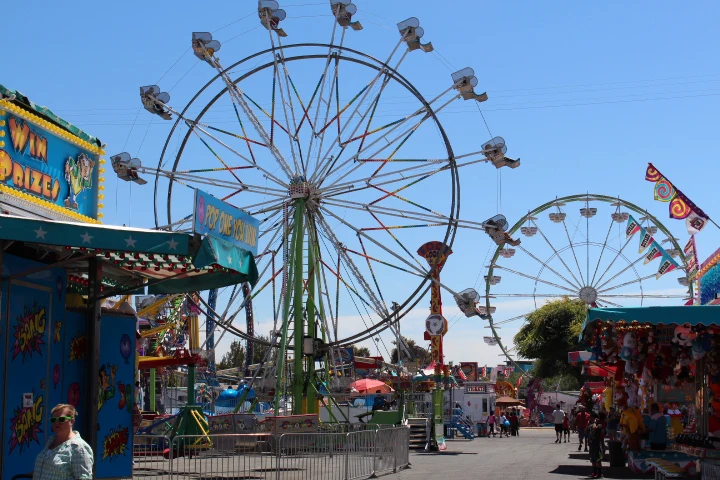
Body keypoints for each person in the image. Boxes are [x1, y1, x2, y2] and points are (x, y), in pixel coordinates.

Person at [34, 404, 93, 479]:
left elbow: (84, 477)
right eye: (53, 420)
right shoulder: (51, 441)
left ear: (71, 421)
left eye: (61, 419)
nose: (56, 423)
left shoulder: (79, 447)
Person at [587, 412, 605, 478]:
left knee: (598, 460)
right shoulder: (591, 425)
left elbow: (595, 428)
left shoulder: (599, 425)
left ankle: (599, 473)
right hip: (592, 445)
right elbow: (586, 430)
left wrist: (595, 422)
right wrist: (588, 423)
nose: (590, 419)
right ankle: (594, 472)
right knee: (593, 459)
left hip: (597, 445)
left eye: (591, 417)